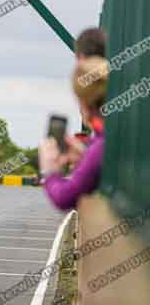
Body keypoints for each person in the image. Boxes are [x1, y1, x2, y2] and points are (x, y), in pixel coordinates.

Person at [39, 57, 108, 210]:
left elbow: (64, 197)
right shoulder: (118, 135)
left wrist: (50, 171)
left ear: (84, 102)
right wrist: (85, 153)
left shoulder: (102, 146)